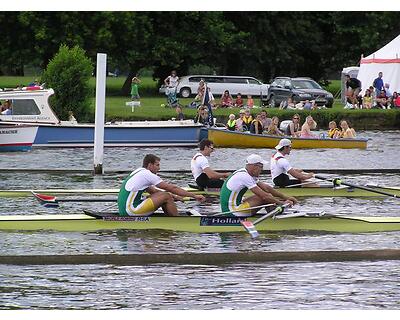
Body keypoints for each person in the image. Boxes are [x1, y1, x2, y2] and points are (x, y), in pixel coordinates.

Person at [118, 154, 205, 217]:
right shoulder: (148, 175)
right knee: (166, 196)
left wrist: (175, 197)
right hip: (131, 211)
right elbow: (171, 188)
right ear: (150, 165)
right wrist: (195, 196)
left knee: (162, 195)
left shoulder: (139, 171)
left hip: (125, 210)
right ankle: (177, 221)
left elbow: (154, 191)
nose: (159, 168)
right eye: (157, 165)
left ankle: (170, 218)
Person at [220, 154, 297, 217]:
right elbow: (264, 196)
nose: (262, 169)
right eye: (261, 166)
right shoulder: (244, 176)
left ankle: (275, 211)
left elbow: (266, 188)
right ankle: (276, 214)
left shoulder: (246, 173)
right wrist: (282, 203)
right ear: (254, 166)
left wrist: (286, 197)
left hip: (234, 208)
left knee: (268, 196)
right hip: (233, 212)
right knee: (265, 197)